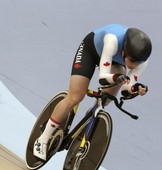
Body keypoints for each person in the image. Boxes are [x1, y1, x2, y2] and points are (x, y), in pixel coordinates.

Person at [34, 24, 152, 160]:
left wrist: (135, 88)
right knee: (75, 97)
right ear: (124, 51)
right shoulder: (112, 40)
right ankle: (42, 139)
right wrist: (116, 77)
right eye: (131, 60)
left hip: (113, 61)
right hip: (91, 51)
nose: (133, 66)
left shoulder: (142, 60)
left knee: (107, 98)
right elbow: (103, 78)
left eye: (137, 63)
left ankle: (90, 117)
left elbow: (127, 85)